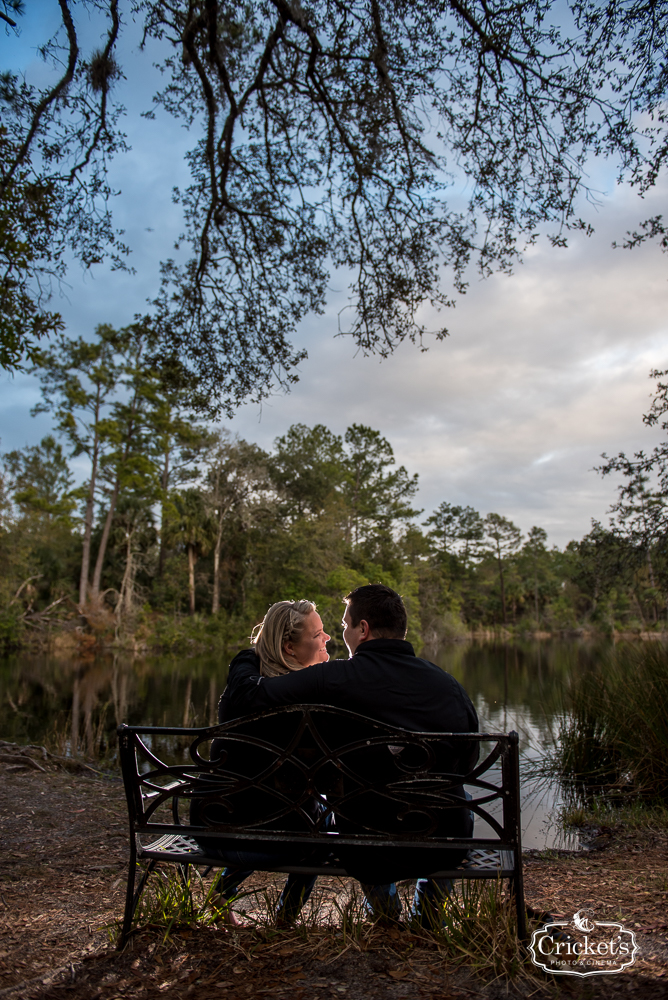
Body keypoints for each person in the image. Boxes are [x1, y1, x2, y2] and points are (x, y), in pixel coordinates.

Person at [225, 584, 479, 925]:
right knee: (457, 799)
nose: (338, 634)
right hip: (442, 841)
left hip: (367, 848)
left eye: (344, 625)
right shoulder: (448, 685)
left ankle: (384, 911)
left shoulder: (331, 679)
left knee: (361, 807)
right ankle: (430, 915)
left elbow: (247, 698)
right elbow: (466, 764)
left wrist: (248, 656)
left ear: (363, 629)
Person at [203, 600, 331, 925]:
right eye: (317, 635)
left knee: (267, 803)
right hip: (271, 833)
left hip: (221, 822)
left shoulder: (246, 681)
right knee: (319, 829)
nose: (327, 637)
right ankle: (285, 919)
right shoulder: (301, 700)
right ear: (289, 647)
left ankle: (223, 891)